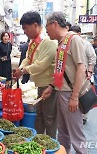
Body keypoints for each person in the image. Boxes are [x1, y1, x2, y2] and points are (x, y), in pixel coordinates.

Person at [43, 12, 89, 153]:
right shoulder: (62, 42)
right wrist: (51, 86)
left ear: (55, 24)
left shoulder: (74, 40)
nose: (46, 31)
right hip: (61, 92)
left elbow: (81, 68)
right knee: (62, 132)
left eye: (47, 27)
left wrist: (74, 97)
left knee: (77, 135)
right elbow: (61, 71)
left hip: (70, 94)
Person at [14, 11, 58, 138]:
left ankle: (50, 143)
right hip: (40, 84)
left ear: (34, 25)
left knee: (49, 117)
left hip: (49, 85)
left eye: (25, 28)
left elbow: (41, 64)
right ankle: (39, 141)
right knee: (39, 115)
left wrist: (23, 71)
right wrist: (20, 68)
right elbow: (28, 58)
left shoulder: (48, 41)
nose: (24, 32)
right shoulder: (33, 42)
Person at [69, 25, 96, 125]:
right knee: (77, 95)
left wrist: (89, 71)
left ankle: (85, 116)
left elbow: (92, 58)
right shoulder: (69, 44)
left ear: (79, 34)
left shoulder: (85, 44)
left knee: (85, 94)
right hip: (75, 75)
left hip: (85, 74)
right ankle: (77, 114)